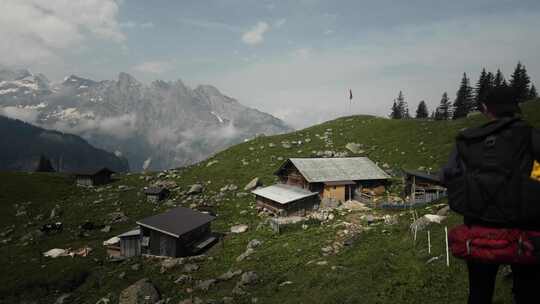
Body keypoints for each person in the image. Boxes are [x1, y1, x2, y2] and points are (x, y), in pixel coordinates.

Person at [441, 86, 540, 304]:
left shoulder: (468, 140)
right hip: (525, 231)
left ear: (485, 108)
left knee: (479, 292)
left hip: (478, 232)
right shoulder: (532, 135)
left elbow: (449, 173)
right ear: (516, 107)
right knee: (528, 292)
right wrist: (533, 177)